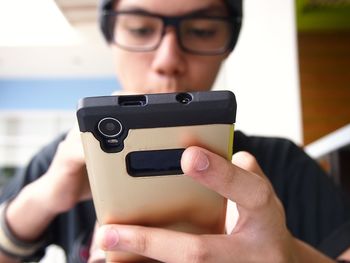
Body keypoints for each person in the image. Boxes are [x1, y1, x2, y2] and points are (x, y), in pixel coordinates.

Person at [0, 0, 350, 262]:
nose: (168, 58)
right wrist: (41, 199)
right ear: (110, 37)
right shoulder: (64, 160)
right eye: (140, 29)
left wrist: (289, 256)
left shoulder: (282, 163)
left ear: (228, 45)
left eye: (201, 31)